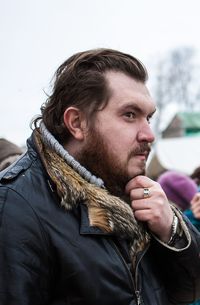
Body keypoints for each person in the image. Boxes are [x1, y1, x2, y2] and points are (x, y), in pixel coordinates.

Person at [0, 48, 200, 305]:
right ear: (77, 123)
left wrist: (171, 229)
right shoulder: (14, 207)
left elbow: (190, 292)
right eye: (130, 115)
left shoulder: (131, 190)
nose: (149, 134)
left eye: (148, 117)